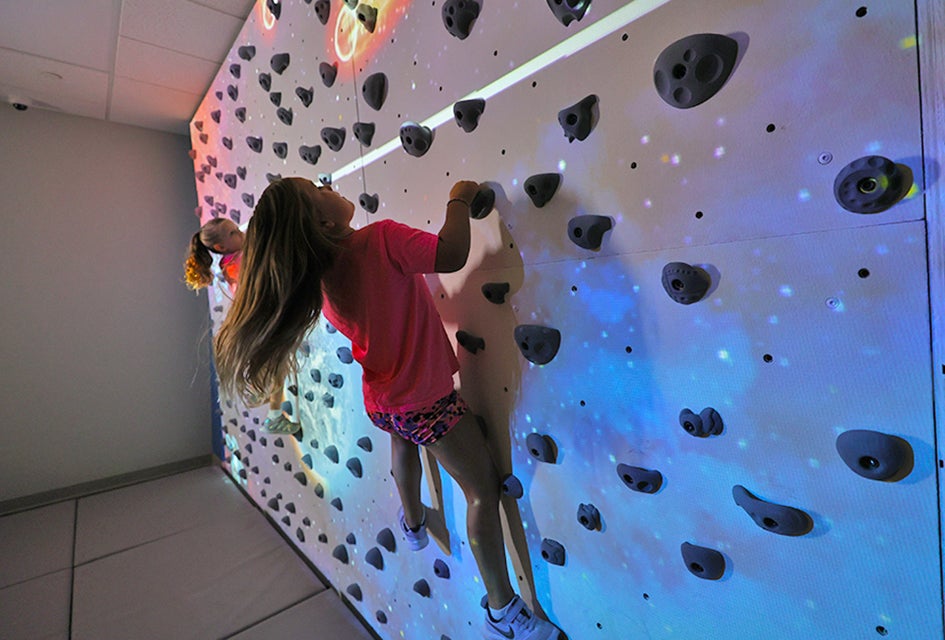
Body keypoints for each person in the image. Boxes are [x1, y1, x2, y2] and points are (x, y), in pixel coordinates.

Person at [212, 177, 563, 640]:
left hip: (384, 400)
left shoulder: (323, 276)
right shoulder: (379, 239)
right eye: (319, 189)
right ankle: (502, 611)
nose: (328, 187)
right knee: (481, 490)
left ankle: (414, 523)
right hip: (425, 400)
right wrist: (458, 197)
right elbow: (451, 253)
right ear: (321, 218)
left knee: (404, 448)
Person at [184, 217, 299, 434]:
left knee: (277, 366)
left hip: (260, 318)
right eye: (234, 233)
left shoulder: (231, 261)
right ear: (221, 247)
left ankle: (267, 402)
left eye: (237, 229)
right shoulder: (238, 261)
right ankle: (264, 398)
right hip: (261, 318)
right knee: (276, 365)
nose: (241, 233)